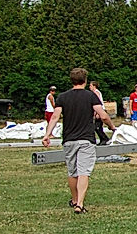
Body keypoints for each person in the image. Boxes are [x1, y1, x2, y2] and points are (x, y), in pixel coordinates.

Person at [41, 67, 117, 214]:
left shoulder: (63, 97)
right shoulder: (90, 96)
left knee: (72, 172)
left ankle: (74, 199)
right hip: (86, 139)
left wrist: (47, 134)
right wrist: (112, 127)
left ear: (72, 80)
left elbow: (55, 117)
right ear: (85, 80)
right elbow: (103, 115)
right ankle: (80, 204)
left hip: (69, 139)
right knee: (84, 172)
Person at [89, 80, 109, 145]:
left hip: (100, 110)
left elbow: (98, 103)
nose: (89, 87)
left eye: (91, 85)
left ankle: (104, 138)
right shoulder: (94, 93)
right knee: (97, 127)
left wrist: (97, 113)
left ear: (94, 86)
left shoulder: (96, 92)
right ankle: (102, 139)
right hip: (98, 110)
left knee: (97, 127)